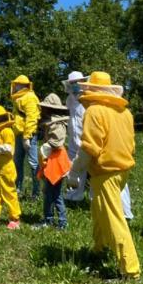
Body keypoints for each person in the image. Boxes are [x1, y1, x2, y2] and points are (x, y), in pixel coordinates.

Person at [70, 71, 140, 280]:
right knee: (99, 209)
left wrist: (74, 171)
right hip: (122, 170)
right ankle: (99, 249)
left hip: (105, 172)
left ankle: (130, 269)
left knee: (113, 217)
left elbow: (89, 148)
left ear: (91, 90)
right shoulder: (124, 112)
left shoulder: (94, 112)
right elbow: (132, 144)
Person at [35, 93, 71, 229]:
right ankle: (49, 219)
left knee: (55, 194)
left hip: (56, 161)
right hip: (52, 160)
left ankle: (61, 222)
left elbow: (57, 142)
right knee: (48, 192)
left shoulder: (57, 124)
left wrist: (46, 147)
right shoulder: (53, 121)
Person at [11, 74, 41, 199]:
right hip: (19, 134)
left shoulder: (30, 97)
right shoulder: (18, 98)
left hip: (28, 136)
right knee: (17, 163)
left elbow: (32, 118)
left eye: (18, 84)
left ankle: (36, 193)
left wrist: (27, 136)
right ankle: (17, 189)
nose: (15, 86)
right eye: (15, 84)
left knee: (33, 164)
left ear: (23, 85)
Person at [63, 71, 88, 203]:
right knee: (72, 168)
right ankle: (75, 195)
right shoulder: (69, 99)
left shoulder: (88, 98)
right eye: (72, 83)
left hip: (86, 139)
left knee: (88, 167)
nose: (75, 85)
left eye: (77, 82)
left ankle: (91, 196)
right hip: (73, 138)